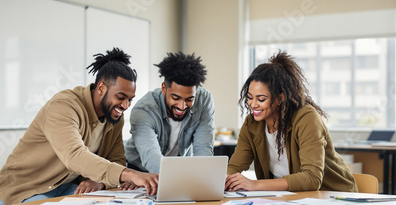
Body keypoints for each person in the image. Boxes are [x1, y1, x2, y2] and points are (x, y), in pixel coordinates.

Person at [0, 48, 158, 205]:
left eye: (130, 99)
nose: (125, 106)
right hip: (22, 191)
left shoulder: (114, 117)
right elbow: (74, 155)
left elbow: (116, 160)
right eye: (121, 97)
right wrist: (130, 174)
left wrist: (99, 182)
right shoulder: (64, 106)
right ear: (101, 88)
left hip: (65, 189)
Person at [225, 51, 357, 192]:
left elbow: (312, 178)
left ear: (280, 98)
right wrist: (223, 179)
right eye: (250, 97)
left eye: (261, 99)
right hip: (288, 199)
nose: (253, 104)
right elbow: (235, 166)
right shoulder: (251, 124)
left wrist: (254, 185)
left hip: (333, 196)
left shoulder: (306, 118)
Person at [124, 52, 215, 175]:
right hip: (140, 170)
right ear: (163, 88)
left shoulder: (204, 100)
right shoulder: (144, 109)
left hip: (178, 170)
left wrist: (203, 178)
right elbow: (151, 155)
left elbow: (203, 149)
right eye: (176, 98)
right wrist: (177, 181)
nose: (182, 106)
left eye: (189, 99)